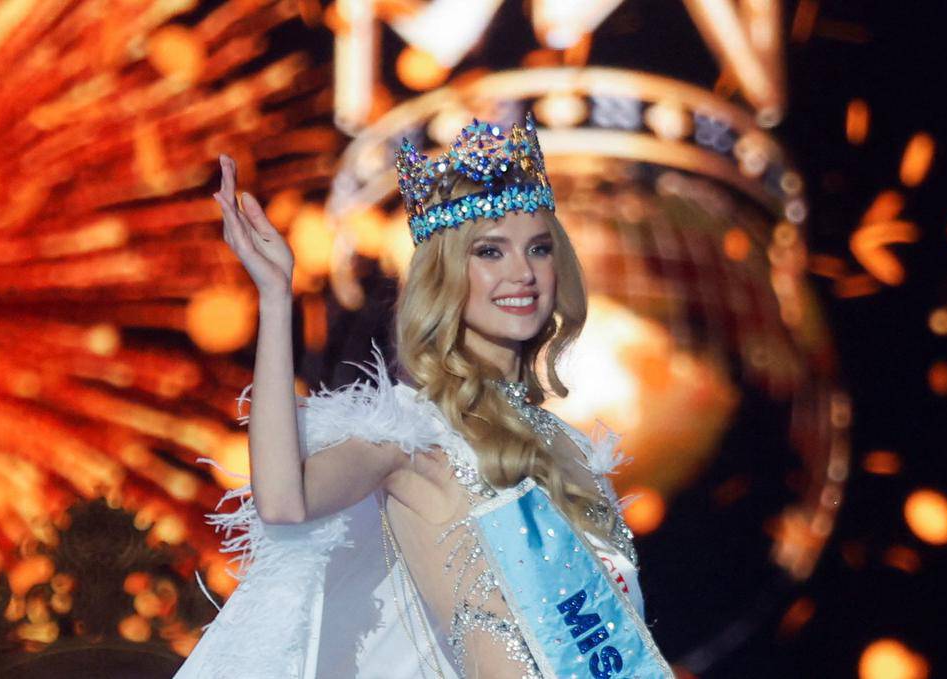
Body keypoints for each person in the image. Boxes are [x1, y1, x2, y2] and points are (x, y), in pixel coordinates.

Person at [175, 115, 673, 678]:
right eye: (489, 252)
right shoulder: (415, 435)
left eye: (538, 250)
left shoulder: (574, 452)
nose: (522, 273)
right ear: (445, 278)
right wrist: (272, 299)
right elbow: (285, 502)